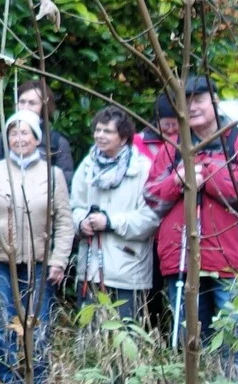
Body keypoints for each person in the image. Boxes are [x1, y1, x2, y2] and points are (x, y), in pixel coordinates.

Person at [143, 76, 238, 383]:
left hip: (233, 263)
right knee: (191, 343)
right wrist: (178, 180)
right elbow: (151, 195)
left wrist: (207, 172)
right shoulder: (172, 150)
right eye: (186, 101)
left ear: (215, 101)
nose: (193, 107)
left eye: (199, 99)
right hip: (183, 262)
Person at [0, 110, 74, 384]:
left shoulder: (53, 175)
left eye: (24, 132)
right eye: (13, 133)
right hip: (1, 264)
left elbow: (65, 221)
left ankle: (37, 379)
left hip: (40, 266)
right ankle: (9, 379)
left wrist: (59, 260)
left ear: (37, 138)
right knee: (3, 327)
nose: (18, 138)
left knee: (39, 327)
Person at [68, 106, 158, 322]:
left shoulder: (142, 168)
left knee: (126, 335)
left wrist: (110, 222)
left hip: (128, 268)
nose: (100, 136)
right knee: (88, 337)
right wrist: (81, 222)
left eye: (107, 131)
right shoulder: (88, 165)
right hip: (89, 267)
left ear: (124, 136)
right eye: (98, 130)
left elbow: (151, 218)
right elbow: (74, 206)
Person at [0, 79, 77, 177]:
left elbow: (64, 183)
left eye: (32, 103)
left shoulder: (56, 142)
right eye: (22, 102)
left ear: (44, 106)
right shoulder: (1, 139)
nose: (25, 108)